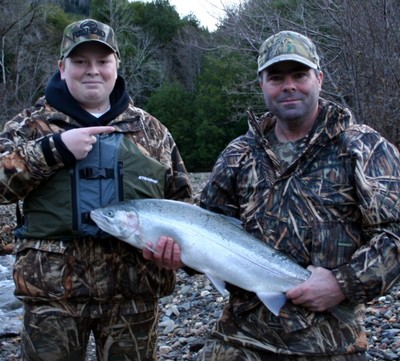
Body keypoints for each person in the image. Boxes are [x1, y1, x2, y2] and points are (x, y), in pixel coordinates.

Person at [145, 30, 400, 360]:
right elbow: (207, 236)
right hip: (243, 336)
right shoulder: (238, 154)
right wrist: (177, 255)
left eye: (299, 74)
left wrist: (343, 283)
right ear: (262, 84)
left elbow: (394, 232)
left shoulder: (363, 147)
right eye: (276, 77)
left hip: (332, 340)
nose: (289, 85)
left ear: (319, 78)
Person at [0, 19, 192, 361]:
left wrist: (175, 252)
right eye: (80, 62)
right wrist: (51, 151)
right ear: (62, 67)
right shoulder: (29, 126)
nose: (93, 71)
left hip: (134, 297)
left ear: (116, 65)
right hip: (51, 299)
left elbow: (184, 207)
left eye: (102, 62)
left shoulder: (152, 132)